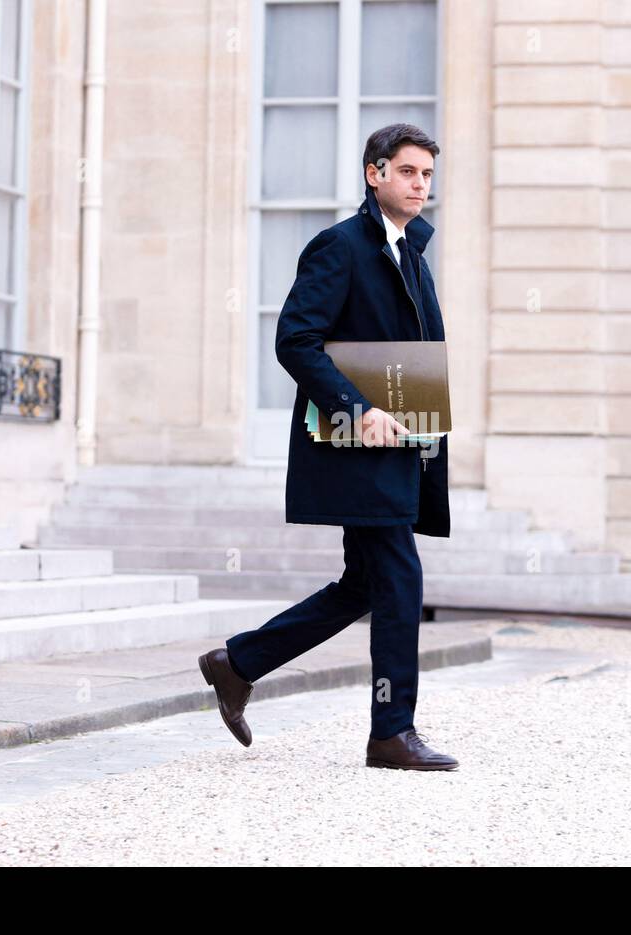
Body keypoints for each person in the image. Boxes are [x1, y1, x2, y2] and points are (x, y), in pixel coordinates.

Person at [197, 123, 457, 770]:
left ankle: (239, 663)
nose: (420, 184)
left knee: (365, 584)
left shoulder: (411, 253)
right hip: (352, 447)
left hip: (397, 447)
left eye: (426, 174)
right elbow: (295, 340)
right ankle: (391, 732)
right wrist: (357, 409)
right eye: (407, 172)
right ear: (375, 174)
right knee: (400, 579)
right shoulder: (339, 247)